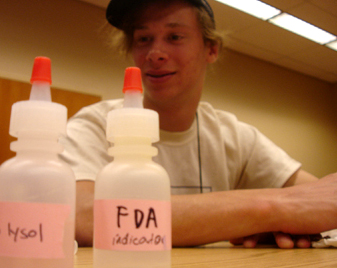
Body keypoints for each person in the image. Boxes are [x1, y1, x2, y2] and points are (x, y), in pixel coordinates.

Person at [60, 0, 337, 249]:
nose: (154, 53)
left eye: (175, 36)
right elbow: (81, 216)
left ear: (211, 49)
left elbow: (320, 199)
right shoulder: (95, 124)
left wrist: (284, 221)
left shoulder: (234, 137)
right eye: (143, 38)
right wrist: (272, 210)